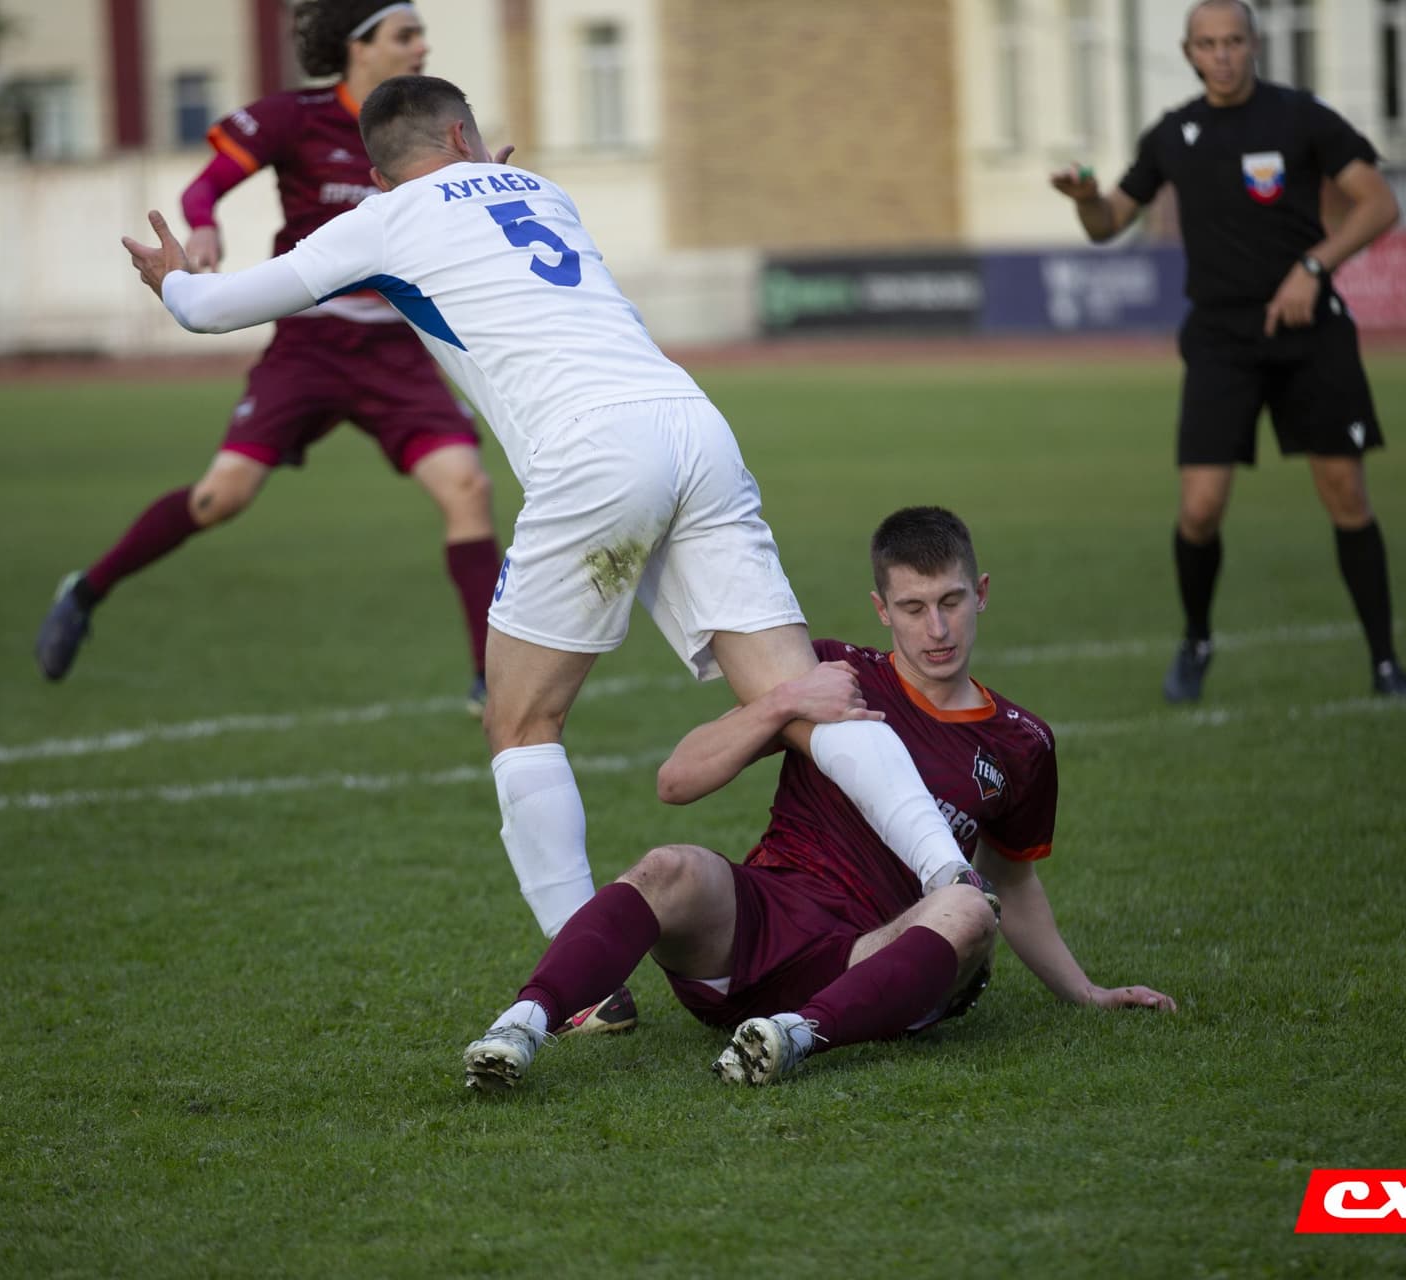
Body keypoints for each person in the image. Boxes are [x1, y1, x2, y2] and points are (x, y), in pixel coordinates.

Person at [122, 76, 996, 1033]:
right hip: (692, 425)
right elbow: (483, 214)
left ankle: (591, 984)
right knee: (798, 691)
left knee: (521, 723)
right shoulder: (543, 190)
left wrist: (171, 274)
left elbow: (209, 311)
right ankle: (946, 874)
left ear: (376, 172)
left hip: (593, 454)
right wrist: (483, 179)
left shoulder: (380, 218)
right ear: (466, 132)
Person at [462, 506, 1177, 1090]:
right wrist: (785, 702)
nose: (937, 629)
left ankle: (793, 1037)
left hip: (872, 951)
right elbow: (675, 781)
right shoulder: (833, 673)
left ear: (981, 593)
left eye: (953, 602)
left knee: (969, 903)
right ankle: (523, 1022)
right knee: (668, 866)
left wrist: (1085, 992)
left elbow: (1015, 883)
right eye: (914, 606)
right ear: (882, 609)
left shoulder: (1022, 743)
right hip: (760, 925)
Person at [36, 1, 503, 716]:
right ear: (359, 46)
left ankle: (488, 679)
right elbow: (206, 184)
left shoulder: (416, 131)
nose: (421, 46)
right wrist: (203, 225)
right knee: (218, 499)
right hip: (308, 349)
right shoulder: (295, 117)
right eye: (404, 34)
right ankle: (86, 591)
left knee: (468, 490)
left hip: (393, 352)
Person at [1050, 0, 1406, 703]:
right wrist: (1086, 197)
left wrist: (1312, 269)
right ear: (1189, 53)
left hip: (1312, 332)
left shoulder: (1301, 116)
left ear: (1256, 44)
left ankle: (1385, 664)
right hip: (1221, 339)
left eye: (1234, 41)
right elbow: (1108, 225)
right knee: (1200, 508)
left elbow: (1379, 203)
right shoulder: (1173, 133)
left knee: (1346, 493)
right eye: (1207, 44)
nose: (1221, 54)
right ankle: (1196, 640)